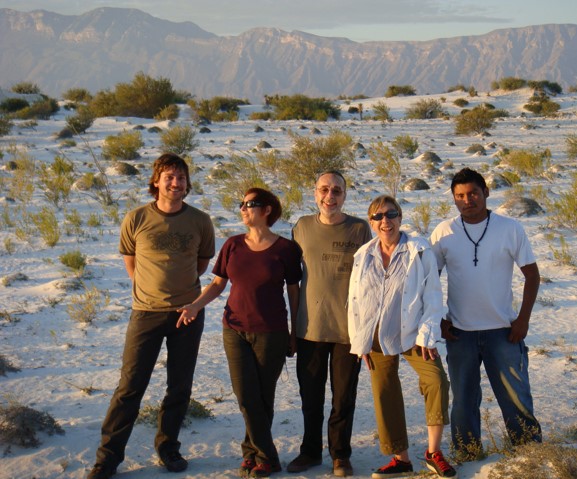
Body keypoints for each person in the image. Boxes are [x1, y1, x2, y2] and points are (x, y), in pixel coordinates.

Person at [87, 153, 216, 479]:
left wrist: (183, 295)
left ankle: (168, 447)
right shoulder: (136, 218)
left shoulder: (201, 220)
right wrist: (151, 292)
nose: (176, 183)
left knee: (179, 386)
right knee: (130, 387)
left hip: (187, 314)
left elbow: (201, 265)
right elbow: (131, 264)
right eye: (169, 177)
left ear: (187, 183)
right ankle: (108, 459)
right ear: (156, 181)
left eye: (181, 177)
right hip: (145, 313)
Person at [177, 187, 302, 478]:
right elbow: (218, 284)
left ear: (267, 210)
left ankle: (252, 454)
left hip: (271, 331)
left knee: (262, 397)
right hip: (234, 329)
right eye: (241, 204)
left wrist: (294, 332)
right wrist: (195, 305)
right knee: (246, 396)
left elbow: (294, 292)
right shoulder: (233, 245)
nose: (243, 209)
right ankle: (267, 457)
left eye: (250, 204)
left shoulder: (286, 249)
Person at [429, 167, 542, 460]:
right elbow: (429, 280)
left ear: (486, 193)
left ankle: (529, 454)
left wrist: (523, 320)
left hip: (503, 331)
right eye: (460, 196)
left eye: (473, 194)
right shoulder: (444, 232)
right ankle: (467, 454)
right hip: (460, 333)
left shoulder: (510, 228)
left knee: (515, 398)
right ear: (454, 199)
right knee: (463, 401)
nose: (467, 201)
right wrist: (438, 319)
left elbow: (532, 275)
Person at [348, 195, 457, 479]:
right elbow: (356, 300)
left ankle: (433, 453)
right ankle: (401, 459)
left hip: (414, 332)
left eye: (391, 214)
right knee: (385, 391)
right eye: (378, 216)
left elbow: (433, 295)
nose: (385, 221)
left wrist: (428, 335)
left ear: (400, 217)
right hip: (376, 334)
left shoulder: (419, 251)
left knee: (436, 380)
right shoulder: (363, 255)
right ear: (371, 223)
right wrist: (360, 341)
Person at [288, 170, 372, 477]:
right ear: (315, 193)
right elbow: (292, 280)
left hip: (348, 332)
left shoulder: (359, 229)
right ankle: (310, 452)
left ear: (345, 195)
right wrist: (292, 328)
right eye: (324, 190)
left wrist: (368, 330)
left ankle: (340, 455)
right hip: (310, 328)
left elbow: (371, 279)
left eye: (336, 190)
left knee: (343, 398)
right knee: (310, 398)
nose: (330, 196)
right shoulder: (301, 227)